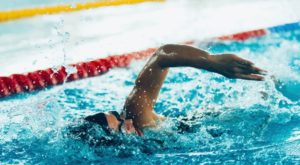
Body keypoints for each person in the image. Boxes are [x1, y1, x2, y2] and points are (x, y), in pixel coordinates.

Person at [77, 44, 267, 139]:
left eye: (118, 116)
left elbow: (162, 55)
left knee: (259, 106)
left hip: (200, 125)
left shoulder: (136, 117)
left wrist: (212, 61)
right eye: (120, 128)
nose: (127, 122)